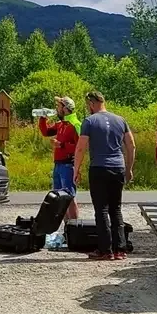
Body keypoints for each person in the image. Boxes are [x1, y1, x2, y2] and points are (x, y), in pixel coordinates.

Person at [73, 91, 136, 261]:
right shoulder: (120, 120)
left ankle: (105, 249)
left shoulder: (89, 121)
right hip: (118, 167)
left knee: (101, 209)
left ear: (92, 103)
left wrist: (76, 169)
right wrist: (129, 168)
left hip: (99, 168)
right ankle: (120, 249)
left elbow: (80, 148)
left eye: (88, 105)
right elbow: (131, 146)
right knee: (116, 209)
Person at [37, 95, 81, 223]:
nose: (56, 109)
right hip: (58, 165)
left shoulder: (75, 124)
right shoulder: (60, 124)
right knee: (59, 198)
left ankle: (75, 227)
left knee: (69, 197)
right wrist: (43, 118)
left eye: (59, 106)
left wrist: (61, 145)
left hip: (68, 165)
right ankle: (68, 228)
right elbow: (46, 132)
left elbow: (80, 147)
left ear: (65, 108)